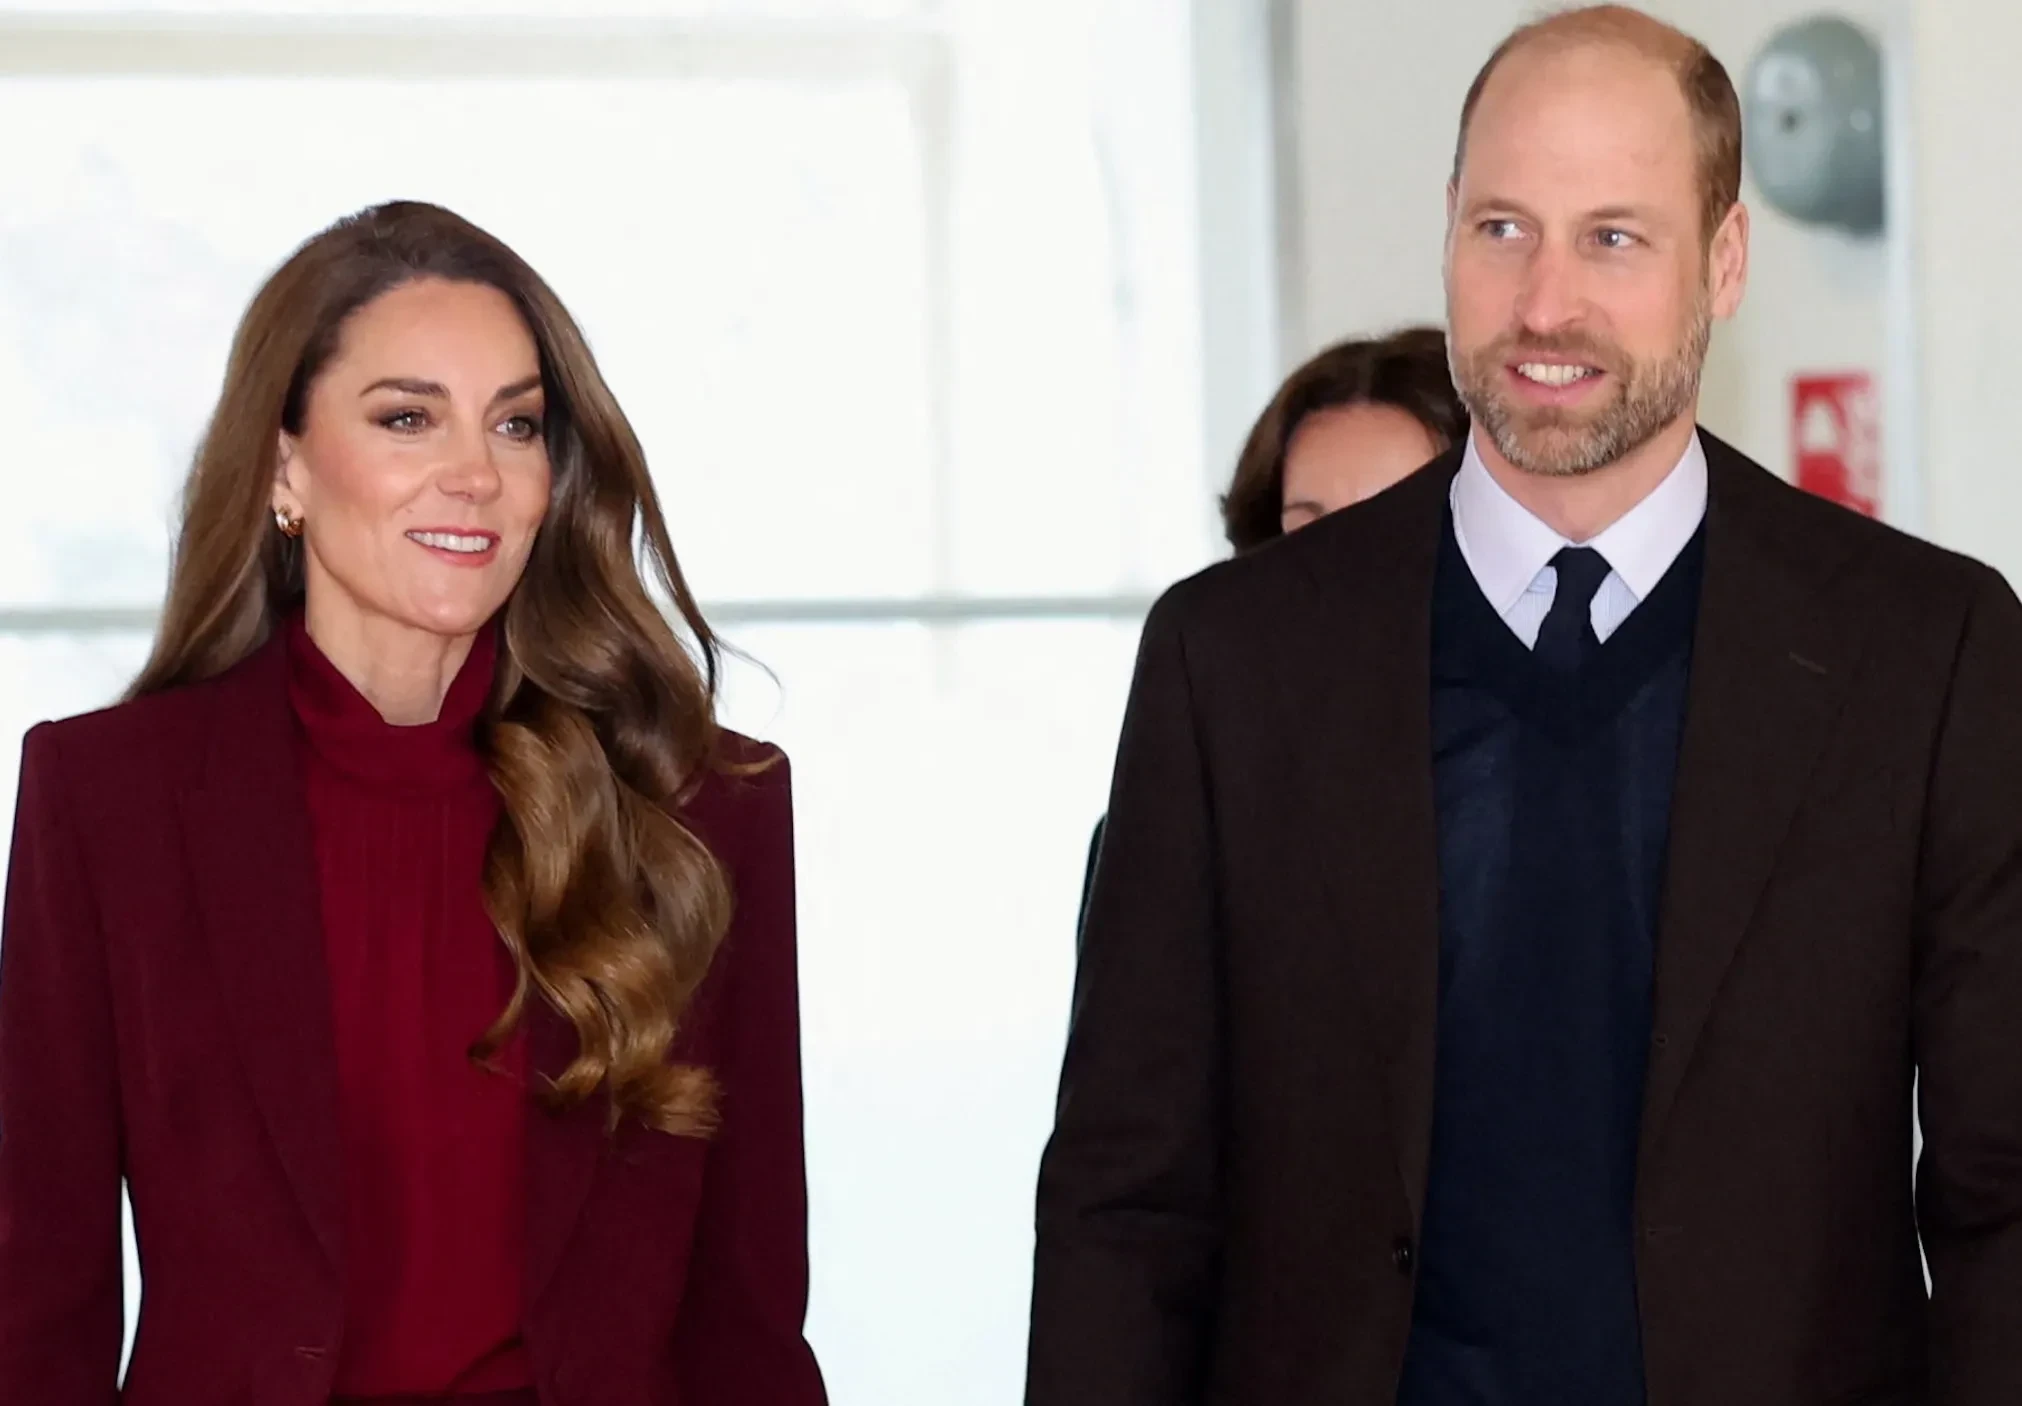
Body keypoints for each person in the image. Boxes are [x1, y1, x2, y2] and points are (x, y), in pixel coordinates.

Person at [1029, 6, 2022, 1405]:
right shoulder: (1233, 658)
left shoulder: (1924, 650)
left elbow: (1999, 1195)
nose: (1544, 303)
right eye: (1502, 228)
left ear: (1723, 260)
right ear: (1445, 226)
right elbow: (1123, 1203)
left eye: (1613, 236)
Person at [0, 201, 827, 1406]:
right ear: (285, 465)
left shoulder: (697, 810)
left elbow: (746, 1324)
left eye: (516, 423)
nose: (476, 474)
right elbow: (36, 1305)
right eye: (407, 417)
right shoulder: (108, 799)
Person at [1079, 327, 1465, 931]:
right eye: (1309, 535)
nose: (1342, 574)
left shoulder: (1560, 808)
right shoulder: (1179, 837)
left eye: (1392, 530)